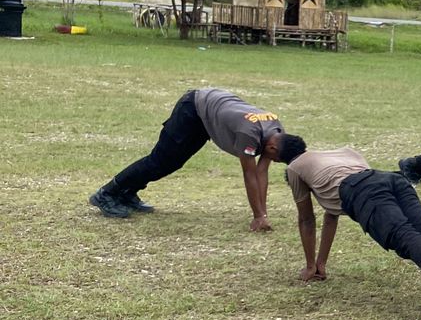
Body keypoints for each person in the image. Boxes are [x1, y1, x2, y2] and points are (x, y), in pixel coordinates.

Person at [278, 137, 421, 320]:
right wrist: (320, 263)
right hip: (389, 179)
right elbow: (331, 215)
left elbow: (306, 219)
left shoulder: (295, 168)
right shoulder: (340, 154)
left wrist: (309, 266)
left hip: (360, 190)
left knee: (404, 235)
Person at [90, 87, 293, 230]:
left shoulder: (277, 131)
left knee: (173, 162)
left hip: (209, 114)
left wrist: (263, 215)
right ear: (272, 147)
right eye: (274, 158)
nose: (270, 161)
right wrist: (258, 216)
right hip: (194, 108)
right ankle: (107, 194)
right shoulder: (250, 133)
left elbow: (262, 172)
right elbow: (250, 175)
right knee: (159, 160)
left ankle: (127, 194)